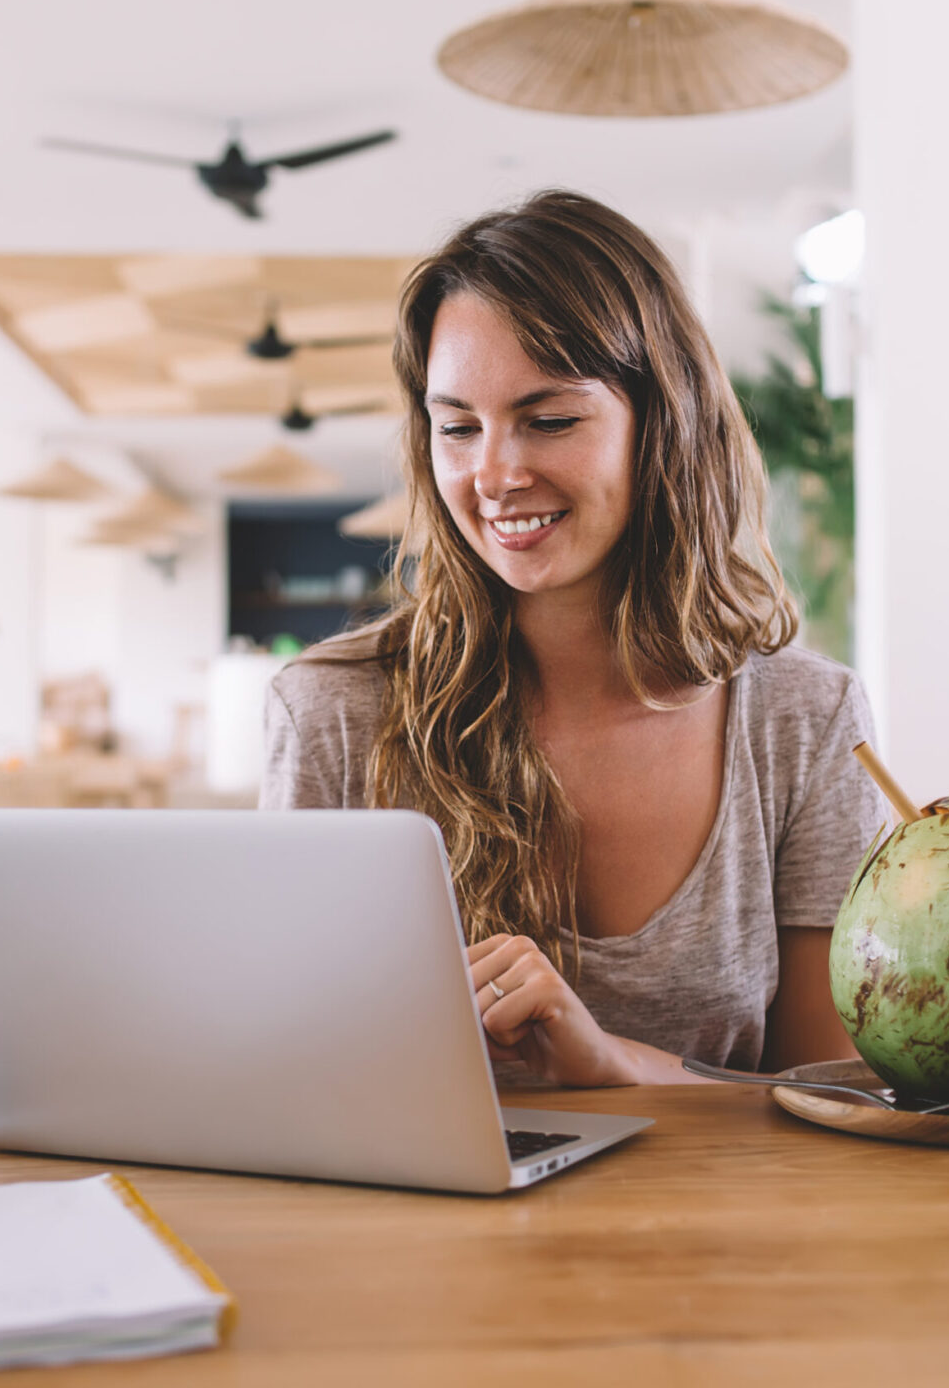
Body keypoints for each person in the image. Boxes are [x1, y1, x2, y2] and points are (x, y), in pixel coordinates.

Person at [262, 190, 887, 1087]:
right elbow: (289, 1073)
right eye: (458, 428)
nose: (495, 475)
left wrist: (617, 1066)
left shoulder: (806, 719)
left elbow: (831, 1103)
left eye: (550, 420)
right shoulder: (331, 712)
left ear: (660, 424)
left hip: (717, 1228)